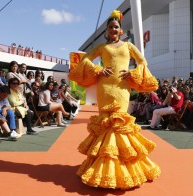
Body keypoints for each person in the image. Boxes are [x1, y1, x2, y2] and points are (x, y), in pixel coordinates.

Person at [68, 10, 160, 189]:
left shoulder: (128, 46)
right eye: (110, 27)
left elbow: (143, 62)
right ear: (107, 30)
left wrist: (132, 73)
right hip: (105, 87)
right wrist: (98, 70)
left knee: (119, 123)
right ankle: (105, 168)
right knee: (106, 123)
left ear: (120, 30)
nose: (113, 29)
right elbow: (85, 60)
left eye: (115, 27)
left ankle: (123, 168)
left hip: (122, 88)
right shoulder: (102, 48)